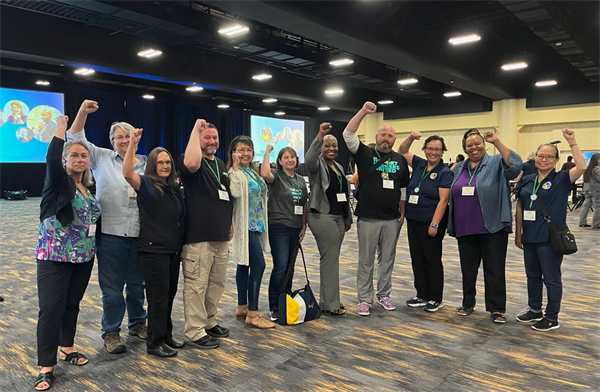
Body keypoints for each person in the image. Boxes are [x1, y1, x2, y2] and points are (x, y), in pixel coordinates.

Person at [67, 100, 147, 354]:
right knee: (112, 290)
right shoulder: (100, 157)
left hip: (141, 234)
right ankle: (111, 331)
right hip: (110, 234)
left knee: (137, 286)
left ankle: (138, 323)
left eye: (128, 136)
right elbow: (75, 137)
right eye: (118, 137)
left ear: (136, 136)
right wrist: (82, 113)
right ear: (111, 140)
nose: (123, 140)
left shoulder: (145, 162)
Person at [34, 115, 101, 391]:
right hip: (54, 256)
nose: (80, 159)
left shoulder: (88, 188)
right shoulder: (58, 182)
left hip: (83, 257)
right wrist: (62, 127)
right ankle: (46, 366)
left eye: (84, 155)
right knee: (51, 309)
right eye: (74, 154)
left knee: (72, 305)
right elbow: (51, 159)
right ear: (65, 159)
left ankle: (67, 347)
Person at [448, 128, 522, 324]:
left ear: (484, 144)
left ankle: (496, 308)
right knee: (468, 269)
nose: (474, 148)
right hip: (464, 227)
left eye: (477, 143)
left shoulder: (496, 162)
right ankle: (468, 303)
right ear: (464, 148)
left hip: (492, 226)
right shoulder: (458, 167)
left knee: (495, 269)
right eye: (469, 145)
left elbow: (516, 165)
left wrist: (496, 141)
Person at [514, 129, 586, 331]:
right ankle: (534, 309)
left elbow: (582, 167)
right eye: (540, 156)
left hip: (549, 238)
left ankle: (552, 317)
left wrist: (572, 141)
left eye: (548, 157)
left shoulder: (561, 179)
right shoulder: (528, 179)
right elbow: (520, 206)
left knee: (551, 278)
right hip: (529, 237)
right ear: (535, 157)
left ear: (555, 160)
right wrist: (518, 232)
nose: (543, 159)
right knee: (532, 276)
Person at [343, 102, 410, 316]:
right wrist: (362, 111)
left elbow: (403, 189)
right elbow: (348, 134)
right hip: (368, 217)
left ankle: (384, 294)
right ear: (377, 136)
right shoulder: (365, 154)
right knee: (366, 259)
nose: (386, 138)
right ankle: (364, 299)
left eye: (390, 136)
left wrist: (402, 211)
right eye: (383, 135)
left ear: (394, 139)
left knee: (387, 259)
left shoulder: (400, 161)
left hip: (392, 219)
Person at [123, 130, 185, 356]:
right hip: (154, 251)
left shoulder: (172, 189)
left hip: (171, 250)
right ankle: (154, 343)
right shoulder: (148, 185)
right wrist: (132, 144)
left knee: (168, 295)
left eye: (168, 162)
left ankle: (166, 335)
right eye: (160, 163)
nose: (166, 166)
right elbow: (128, 173)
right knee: (157, 299)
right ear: (152, 164)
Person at [177, 119, 233, 349]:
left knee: (215, 284)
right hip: (198, 237)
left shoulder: (220, 164)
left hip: (220, 235)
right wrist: (194, 130)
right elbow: (190, 163)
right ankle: (194, 330)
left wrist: (228, 223)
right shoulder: (191, 161)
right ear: (197, 140)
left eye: (214, 137)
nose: (212, 141)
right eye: (206, 137)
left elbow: (225, 196)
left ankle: (209, 321)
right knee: (196, 286)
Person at [398, 132, 453, 312]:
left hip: (431, 223)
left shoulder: (444, 172)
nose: (433, 152)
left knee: (432, 260)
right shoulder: (420, 163)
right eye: (430, 148)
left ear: (442, 151)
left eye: (437, 149)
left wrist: (435, 224)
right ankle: (421, 294)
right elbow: (402, 150)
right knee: (417, 259)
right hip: (414, 220)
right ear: (425, 149)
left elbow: (443, 200)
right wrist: (411, 138)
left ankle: (436, 297)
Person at [227, 136, 274, 328]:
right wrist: (236, 167)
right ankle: (253, 314)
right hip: (245, 226)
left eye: (248, 149)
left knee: (244, 265)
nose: (245, 153)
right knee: (259, 265)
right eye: (240, 149)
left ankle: (242, 306)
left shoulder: (252, 172)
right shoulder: (233, 172)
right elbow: (236, 193)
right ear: (233, 152)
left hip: (256, 224)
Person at [306, 123, 352, 315]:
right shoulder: (317, 165)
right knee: (330, 260)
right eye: (327, 146)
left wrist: (347, 217)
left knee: (331, 260)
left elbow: (344, 193)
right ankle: (329, 303)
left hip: (338, 217)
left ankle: (331, 299)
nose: (331, 149)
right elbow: (309, 160)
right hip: (321, 216)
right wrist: (319, 136)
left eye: (334, 146)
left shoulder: (339, 166)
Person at [260, 144, 308, 321]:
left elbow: (304, 203)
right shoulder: (277, 176)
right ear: (279, 161)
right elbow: (264, 173)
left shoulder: (301, 180)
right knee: (280, 266)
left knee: (290, 267)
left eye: (293, 157)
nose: (290, 160)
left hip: (296, 227)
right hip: (278, 226)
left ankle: (285, 298)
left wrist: (304, 225)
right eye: (286, 157)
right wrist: (267, 151)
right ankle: (274, 305)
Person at [578, 152, 600, 228]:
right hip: (596, 190)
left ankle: (582, 222)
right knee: (597, 207)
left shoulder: (587, 169)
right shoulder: (597, 169)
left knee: (585, 206)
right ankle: (596, 224)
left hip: (587, 190)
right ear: (598, 160)